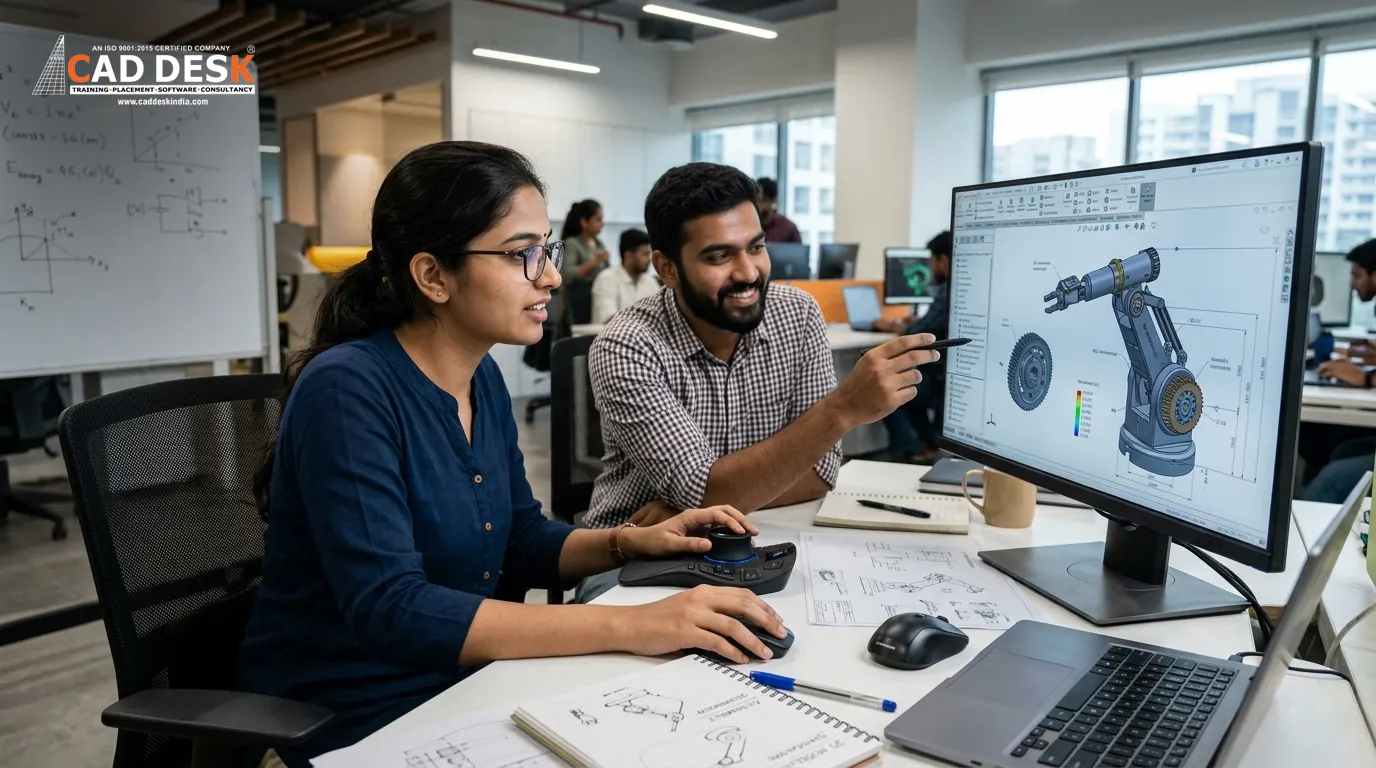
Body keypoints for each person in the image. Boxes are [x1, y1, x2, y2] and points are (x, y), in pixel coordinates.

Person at [238, 143, 788, 767]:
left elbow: (520, 536)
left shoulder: (481, 379)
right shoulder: (348, 390)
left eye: (546, 249)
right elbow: (392, 609)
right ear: (433, 276)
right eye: (521, 254)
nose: (550, 275)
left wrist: (631, 542)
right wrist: (636, 624)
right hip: (356, 713)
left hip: (471, 685)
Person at [576, 162, 941, 602]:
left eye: (756, 247)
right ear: (667, 268)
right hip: (634, 555)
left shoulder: (797, 315)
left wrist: (689, 509)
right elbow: (705, 489)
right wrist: (839, 411)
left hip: (755, 542)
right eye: (719, 256)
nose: (748, 272)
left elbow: (823, 472)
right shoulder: (628, 344)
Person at [873, 231, 952, 462]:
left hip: (938, 378)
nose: (931, 268)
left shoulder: (948, 289)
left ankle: (915, 449)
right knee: (910, 383)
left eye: (932, 261)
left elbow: (916, 334)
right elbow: (931, 325)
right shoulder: (957, 288)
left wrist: (891, 326)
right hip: (942, 377)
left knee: (886, 388)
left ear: (943, 260)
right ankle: (926, 444)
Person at [591, 228, 660, 324]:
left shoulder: (650, 282)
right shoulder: (606, 279)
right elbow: (608, 319)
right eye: (644, 254)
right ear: (628, 256)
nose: (649, 259)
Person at [560, 198, 610, 323]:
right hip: (578, 300)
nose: (602, 224)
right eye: (597, 219)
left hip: (598, 298)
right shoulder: (573, 243)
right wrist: (594, 262)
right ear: (584, 222)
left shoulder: (599, 244)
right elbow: (567, 273)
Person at [756, 177, 802, 243]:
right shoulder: (747, 225)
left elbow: (798, 252)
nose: (758, 204)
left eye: (763, 200)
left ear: (774, 200)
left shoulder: (788, 228)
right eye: (756, 200)